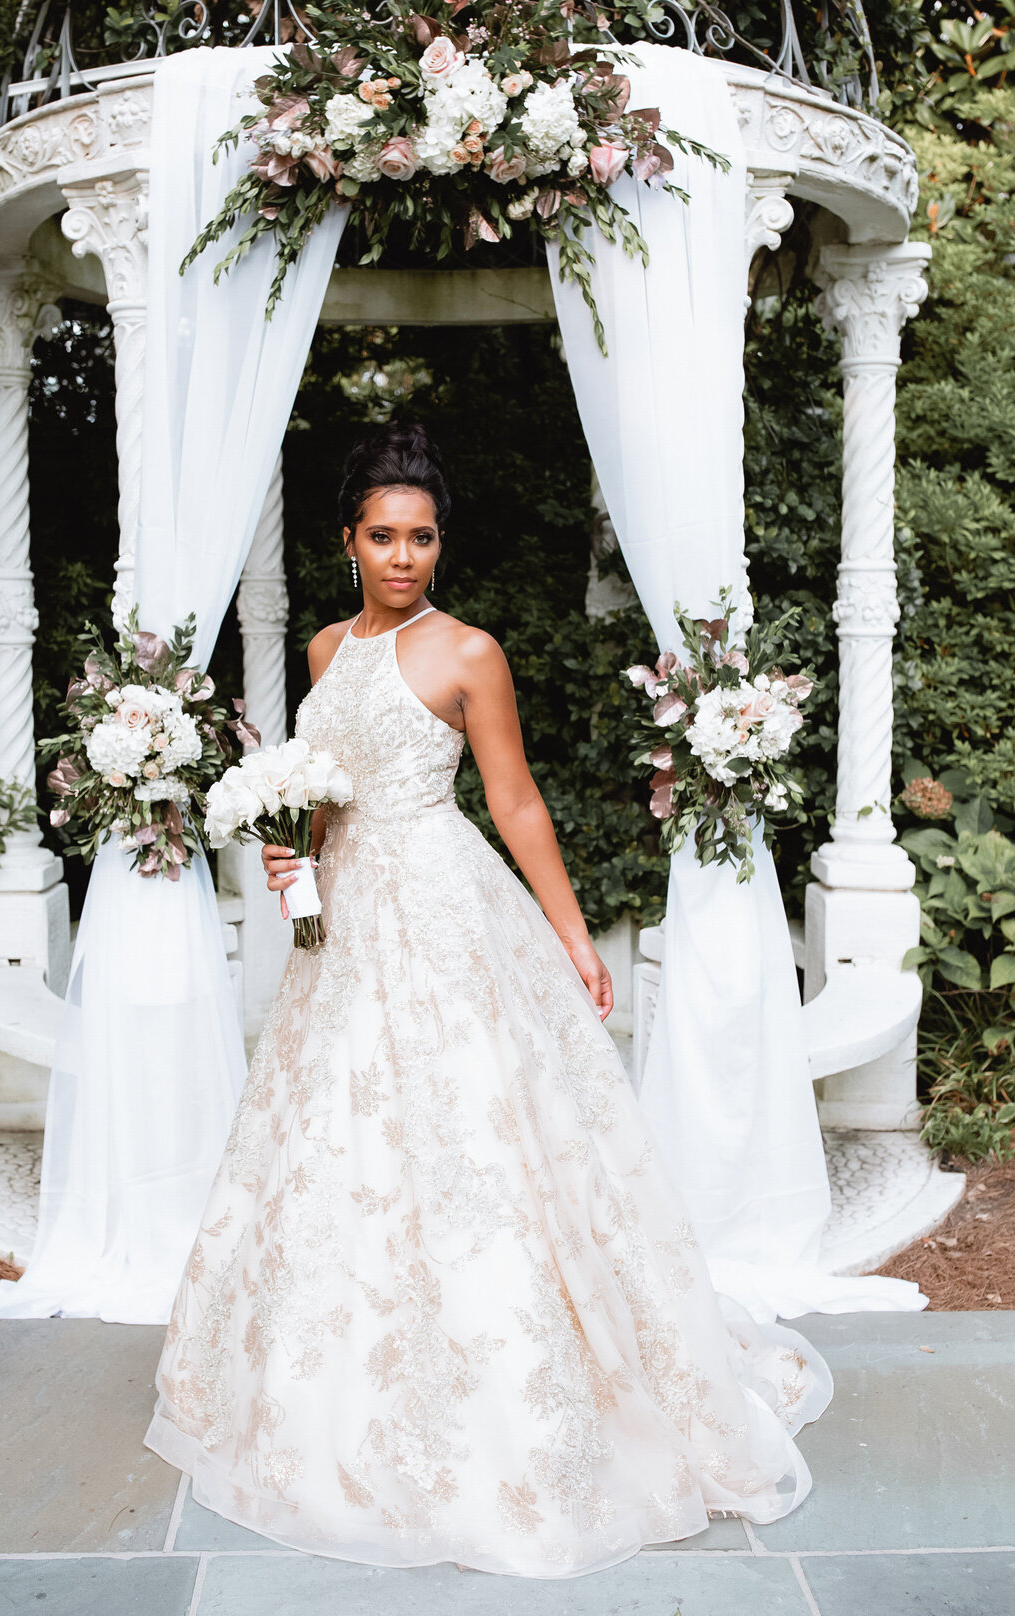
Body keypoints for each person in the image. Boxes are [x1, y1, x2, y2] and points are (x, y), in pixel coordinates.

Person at [145, 421, 831, 1578]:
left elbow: (514, 804)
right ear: (348, 541)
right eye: (382, 536)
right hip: (344, 924)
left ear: (439, 544)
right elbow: (323, 798)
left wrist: (571, 936)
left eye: (420, 538)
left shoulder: (469, 653)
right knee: (339, 1140)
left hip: (447, 911)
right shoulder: (321, 653)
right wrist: (288, 853)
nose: (402, 556)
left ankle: (522, 1396)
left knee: (474, 1138)